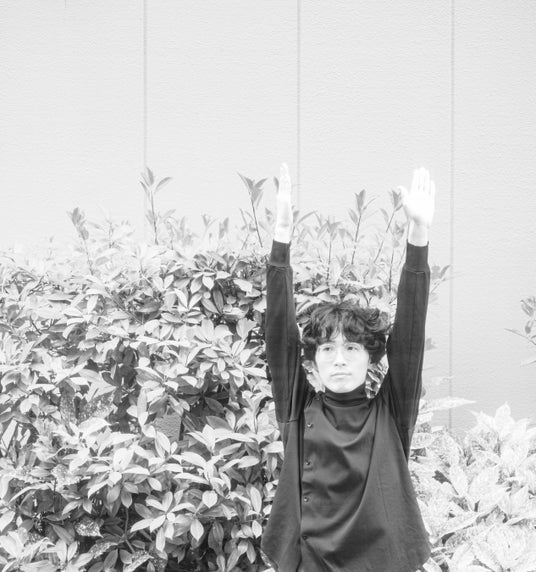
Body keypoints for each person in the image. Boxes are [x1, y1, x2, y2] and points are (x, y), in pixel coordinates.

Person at [261, 164, 435, 572]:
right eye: (327, 348)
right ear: (313, 360)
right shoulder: (297, 409)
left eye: (352, 347)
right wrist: (281, 237)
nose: (339, 359)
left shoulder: (391, 413)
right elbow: (280, 336)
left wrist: (418, 233)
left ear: (372, 356)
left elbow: (410, 336)